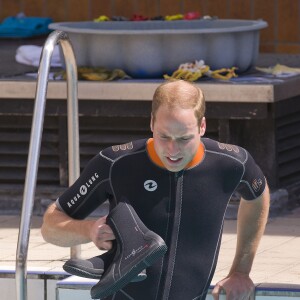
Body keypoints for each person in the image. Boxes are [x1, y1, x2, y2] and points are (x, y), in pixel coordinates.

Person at [41, 79, 270, 300]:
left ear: (202, 126)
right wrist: (88, 230)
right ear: (151, 123)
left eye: (184, 138)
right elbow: (50, 225)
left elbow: (258, 196)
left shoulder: (230, 163)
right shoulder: (116, 164)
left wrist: (241, 270)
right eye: (164, 136)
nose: (173, 149)